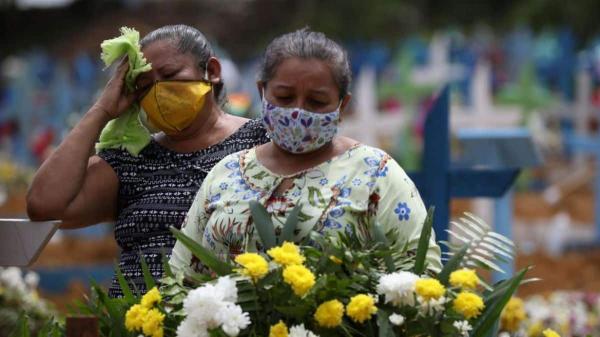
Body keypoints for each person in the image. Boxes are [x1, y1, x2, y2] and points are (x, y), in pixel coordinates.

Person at [169, 29, 441, 276]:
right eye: (285, 97)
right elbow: (182, 276)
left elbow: (419, 275)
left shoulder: (374, 173)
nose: (298, 111)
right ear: (262, 91)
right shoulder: (226, 173)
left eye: (317, 101)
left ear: (342, 105)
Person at [26, 25, 269, 297]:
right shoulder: (131, 162)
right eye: (143, 86)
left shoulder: (261, 141)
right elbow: (43, 205)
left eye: (169, 75)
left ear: (211, 71)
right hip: (137, 320)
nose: (158, 91)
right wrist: (102, 110)